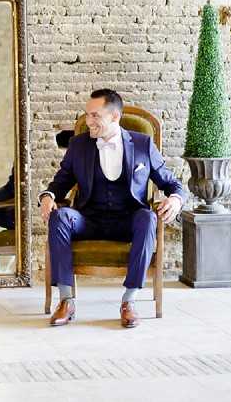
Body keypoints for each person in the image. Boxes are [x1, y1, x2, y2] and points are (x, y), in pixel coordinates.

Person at [40, 89, 186, 329]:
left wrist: (176, 200)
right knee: (60, 216)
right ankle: (66, 301)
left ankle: (129, 301)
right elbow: (60, 182)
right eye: (87, 115)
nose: (88, 121)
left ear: (115, 116)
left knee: (148, 217)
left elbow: (172, 184)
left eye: (95, 116)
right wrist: (48, 196)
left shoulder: (142, 144)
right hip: (88, 220)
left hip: (128, 221)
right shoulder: (79, 145)